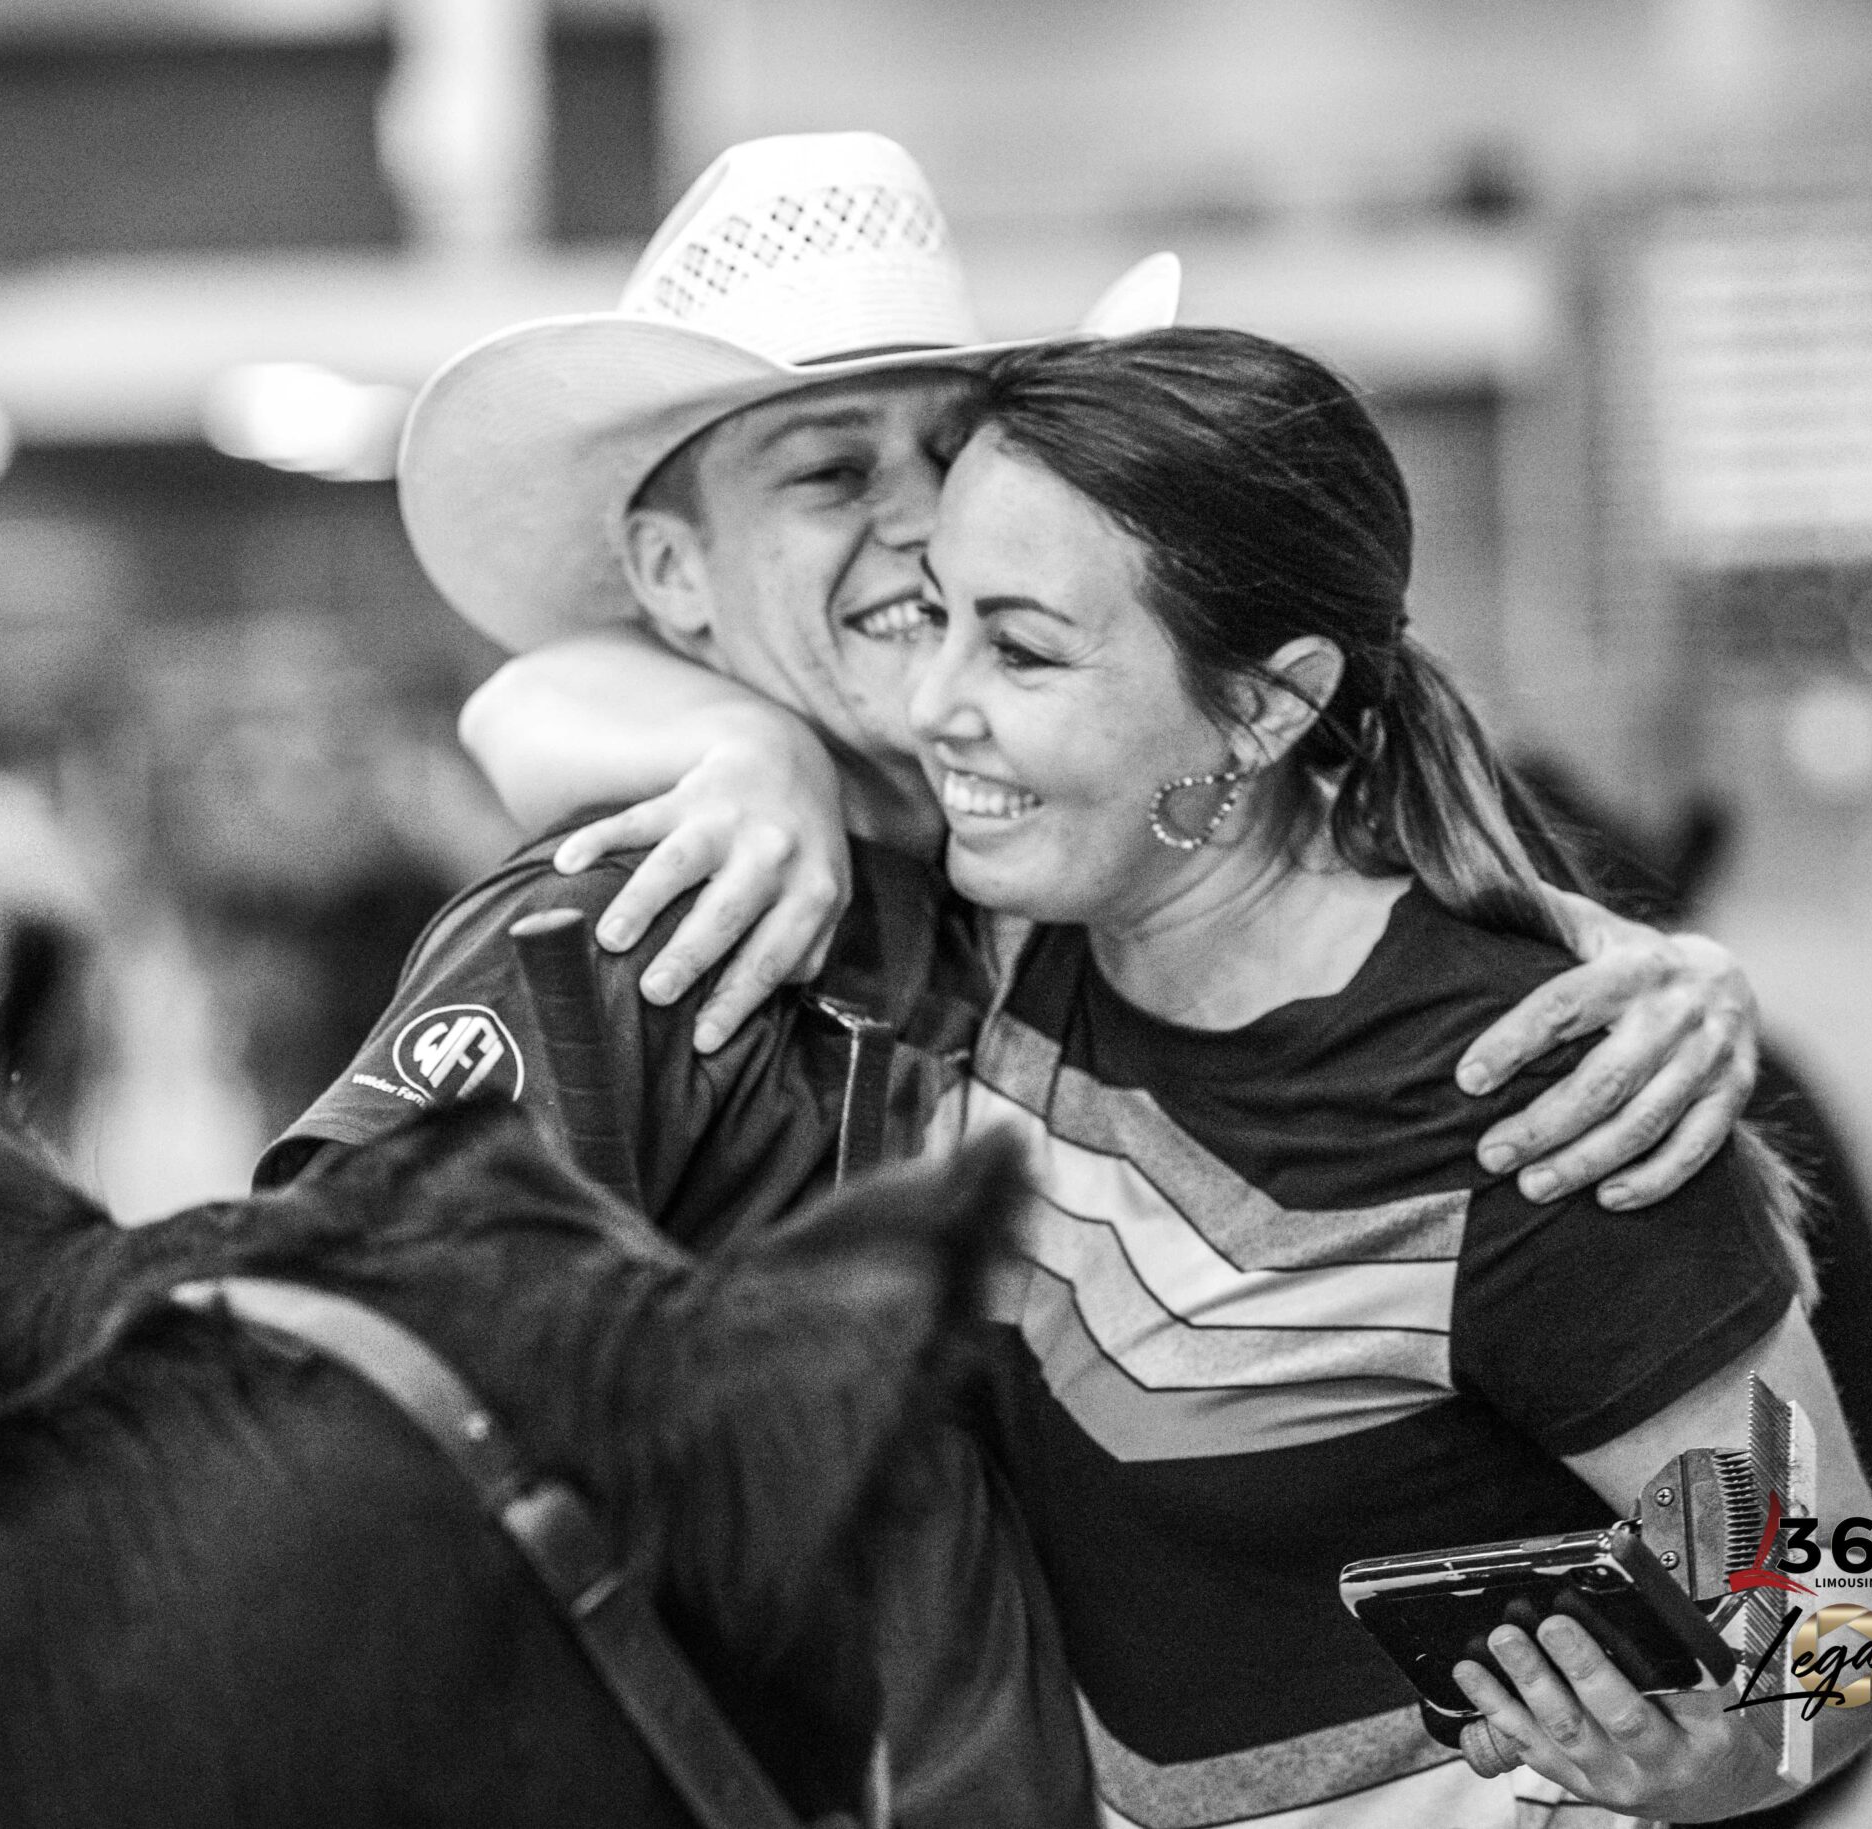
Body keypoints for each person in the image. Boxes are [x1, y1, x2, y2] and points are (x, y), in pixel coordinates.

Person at [291, 133, 1766, 1827]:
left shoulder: (1103, 897)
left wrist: (1637, 956)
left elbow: (1840, 1616)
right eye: (830, 476)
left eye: (948, 447)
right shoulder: (615, 942)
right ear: (673, 584)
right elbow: (302, 1429)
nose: (922, 524)